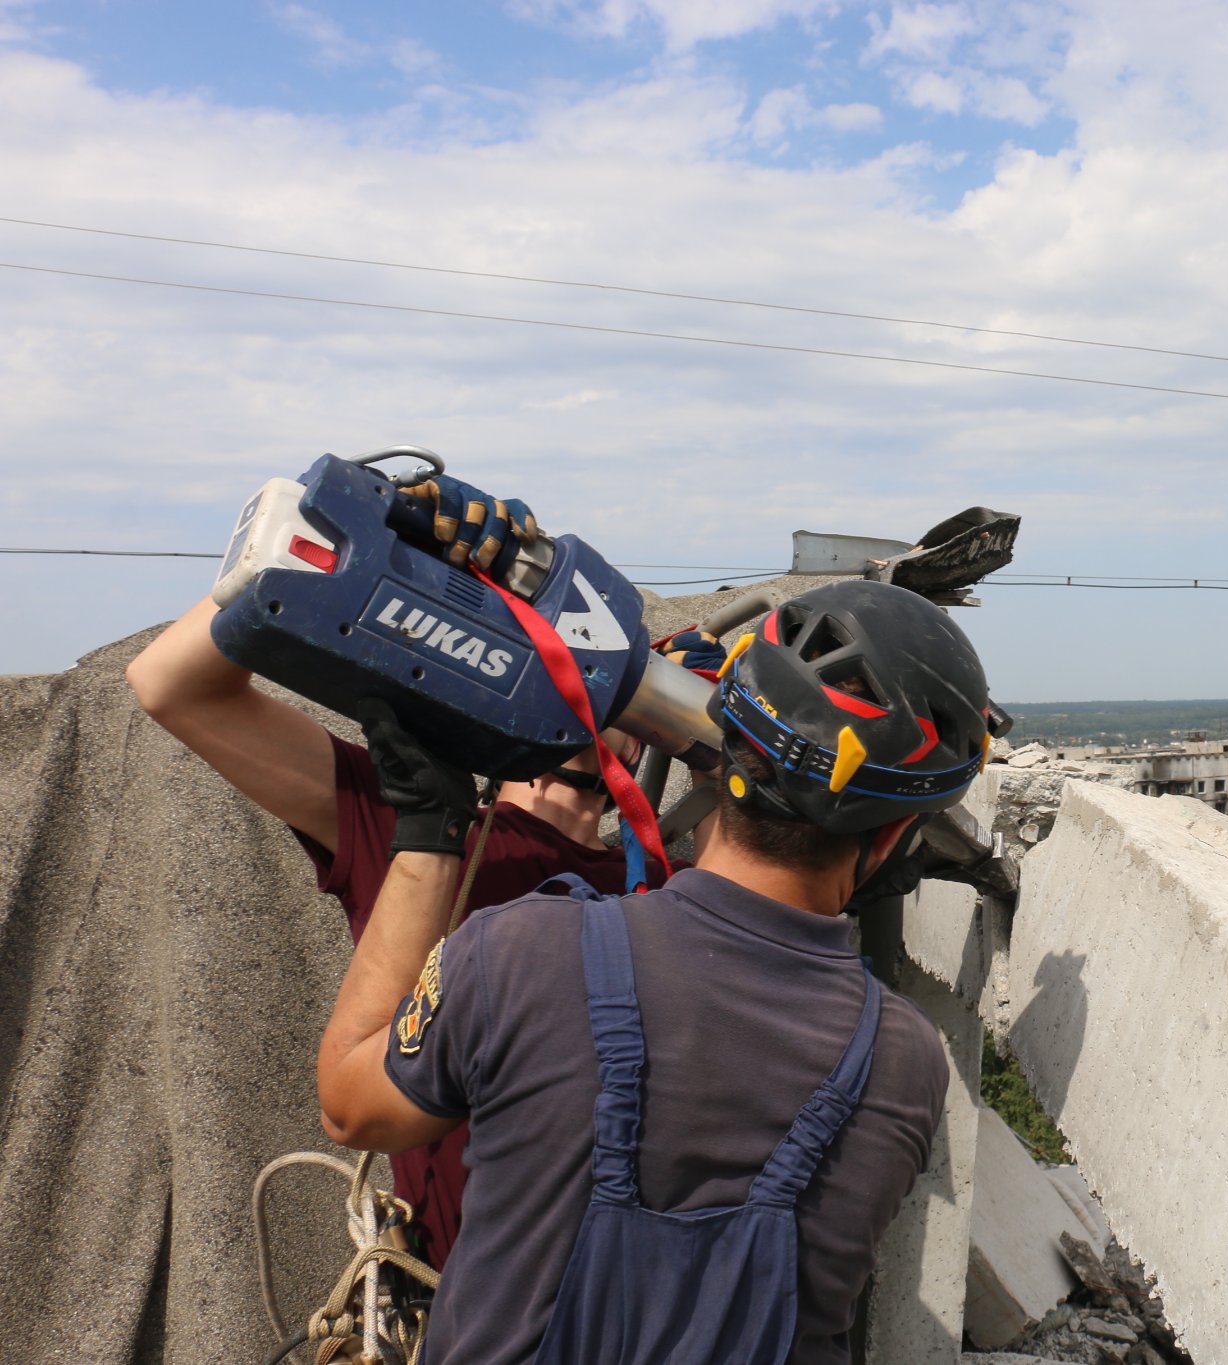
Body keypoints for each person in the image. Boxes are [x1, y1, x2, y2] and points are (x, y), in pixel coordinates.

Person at [316, 578, 990, 1365]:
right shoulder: (902, 1064)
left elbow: (351, 1107)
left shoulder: (524, 952)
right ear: (897, 831)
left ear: (724, 747)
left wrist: (427, 835)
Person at [124, 475, 718, 1267]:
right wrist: (364, 527)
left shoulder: (663, 887)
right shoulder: (407, 816)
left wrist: (716, 728)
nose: (572, 674)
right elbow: (167, 682)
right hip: (464, 1302)